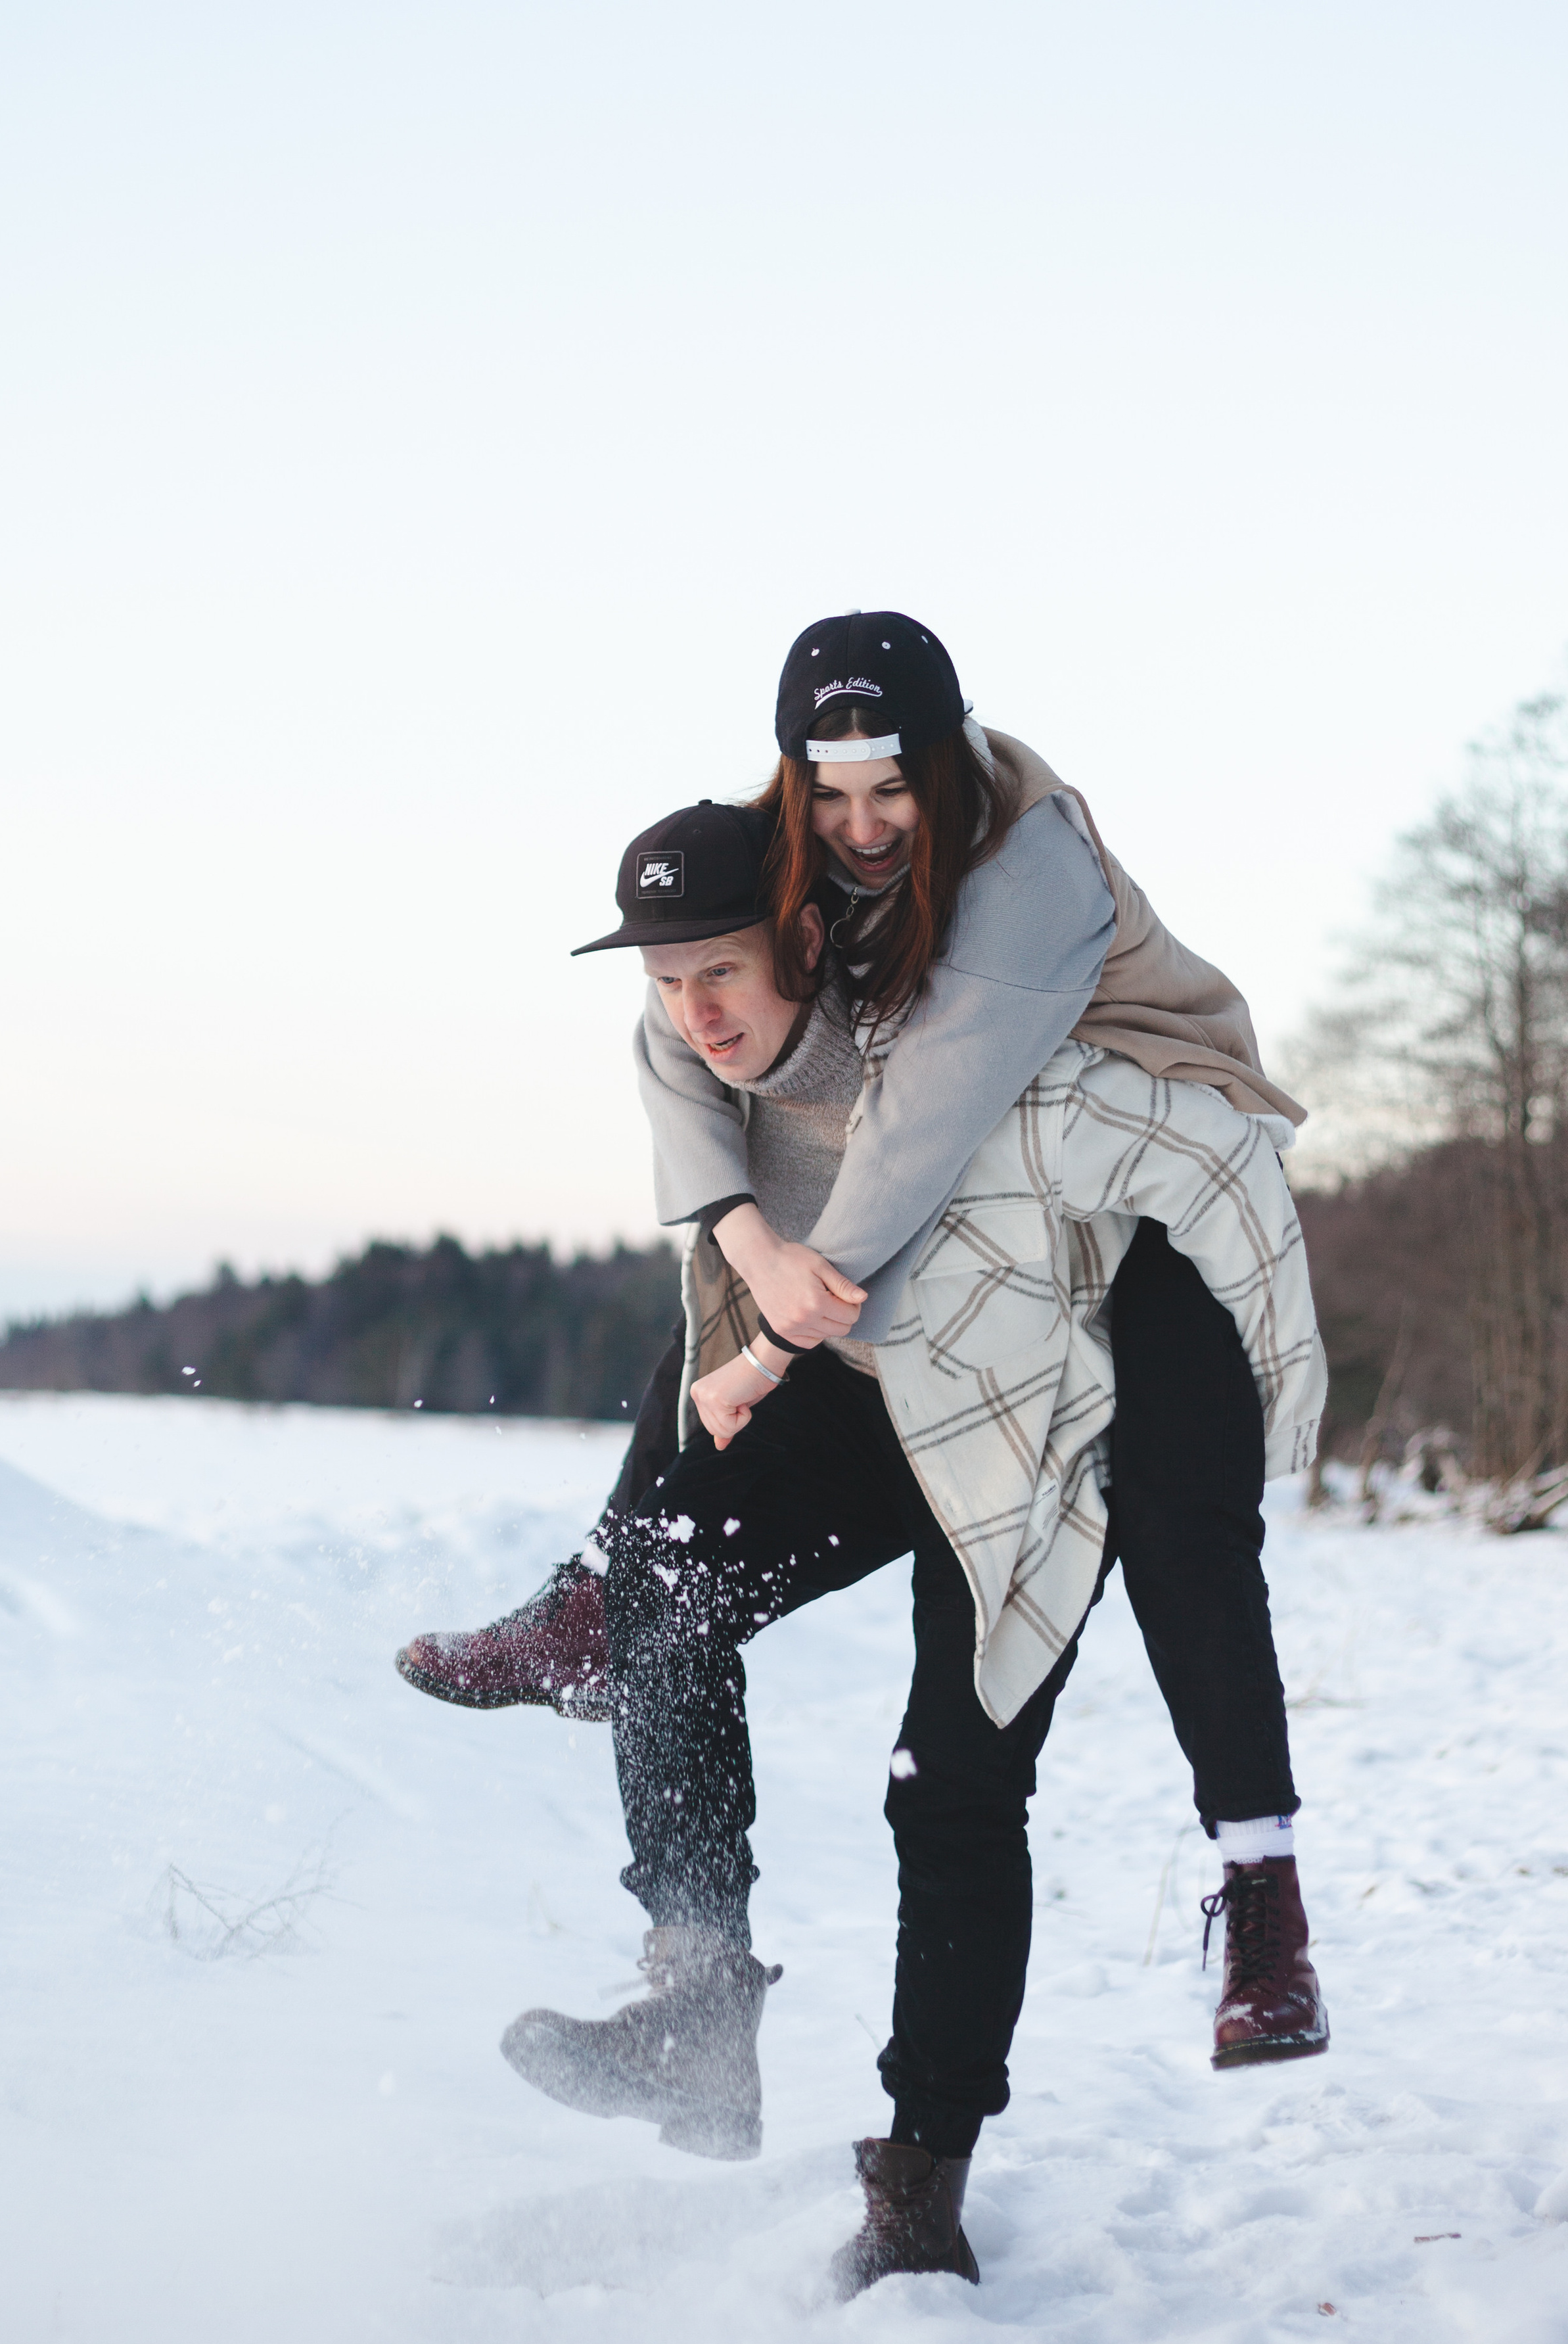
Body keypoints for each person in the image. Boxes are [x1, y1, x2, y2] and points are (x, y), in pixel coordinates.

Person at [400, 615, 1326, 2082]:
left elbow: (915, 1134)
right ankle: (690, 1985)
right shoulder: (787, 852)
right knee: (672, 1566)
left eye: (888, 791)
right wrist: (744, 1237)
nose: (858, 828)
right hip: (967, 1233)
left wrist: (770, 1341)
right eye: (826, 797)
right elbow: (672, 1031)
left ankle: (1260, 1897)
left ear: (945, 762)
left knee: (1173, 1521)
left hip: (1142, 1183)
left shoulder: (1030, 872)